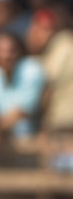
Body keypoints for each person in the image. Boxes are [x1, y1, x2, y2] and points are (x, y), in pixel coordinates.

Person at [29, 10, 73, 169]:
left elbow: (47, 84)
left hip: (65, 123)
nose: (43, 34)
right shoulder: (49, 51)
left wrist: (43, 126)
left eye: (48, 29)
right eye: (40, 29)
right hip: (60, 126)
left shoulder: (63, 43)